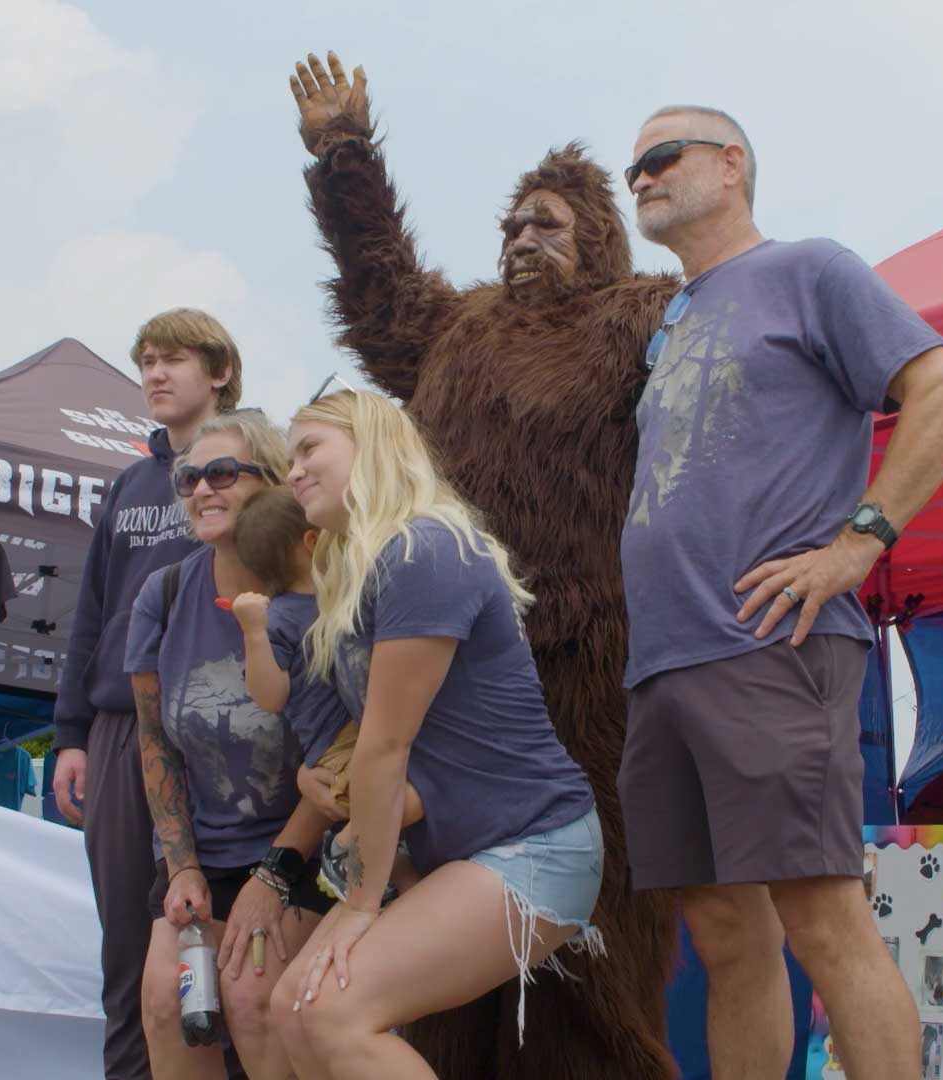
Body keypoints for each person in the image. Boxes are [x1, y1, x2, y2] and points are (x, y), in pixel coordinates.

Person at [291, 51, 679, 1080]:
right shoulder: (456, 331)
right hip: (454, 668)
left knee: (598, 944)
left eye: (546, 222)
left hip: (592, 670)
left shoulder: (641, 316)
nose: (522, 239)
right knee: (444, 938)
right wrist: (343, 154)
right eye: (511, 224)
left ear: (595, 236)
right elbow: (376, 282)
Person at [618, 103, 943, 1080]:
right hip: (664, 663)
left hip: (769, 645)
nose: (640, 178)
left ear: (731, 162)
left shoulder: (809, 268)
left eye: (661, 156)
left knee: (823, 917)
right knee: (723, 934)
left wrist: (857, 544)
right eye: (632, 172)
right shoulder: (673, 321)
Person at [266, 390, 606, 1080]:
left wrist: (362, 904)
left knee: (332, 1013)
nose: (293, 471)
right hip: (458, 851)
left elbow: (386, 749)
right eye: (288, 457)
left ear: (371, 445)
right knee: (292, 1008)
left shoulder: (426, 549)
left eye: (309, 450)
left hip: (534, 844)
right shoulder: (360, 574)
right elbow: (376, 749)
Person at [49, 309, 241, 1080]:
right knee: (127, 947)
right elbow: (91, 614)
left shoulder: (252, 466)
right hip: (120, 730)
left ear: (220, 370)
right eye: (147, 362)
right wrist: (70, 733)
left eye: (174, 360)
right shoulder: (128, 485)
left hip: (219, 729)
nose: (156, 375)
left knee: (217, 941)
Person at [125, 410, 335, 1080]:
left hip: (301, 848)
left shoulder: (315, 598)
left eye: (220, 472)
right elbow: (155, 740)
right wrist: (180, 866)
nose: (200, 490)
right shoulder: (163, 592)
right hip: (202, 854)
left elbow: (339, 756)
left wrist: (273, 877)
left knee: (251, 1000)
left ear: (270, 482)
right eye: (188, 477)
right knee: (164, 1004)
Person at [226, 489, 424, 902]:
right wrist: (253, 633)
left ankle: (385, 870)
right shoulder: (278, 617)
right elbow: (271, 697)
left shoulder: (344, 594)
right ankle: (343, 851)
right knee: (418, 790)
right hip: (339, 747)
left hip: (364, 727)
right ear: (313, 542)